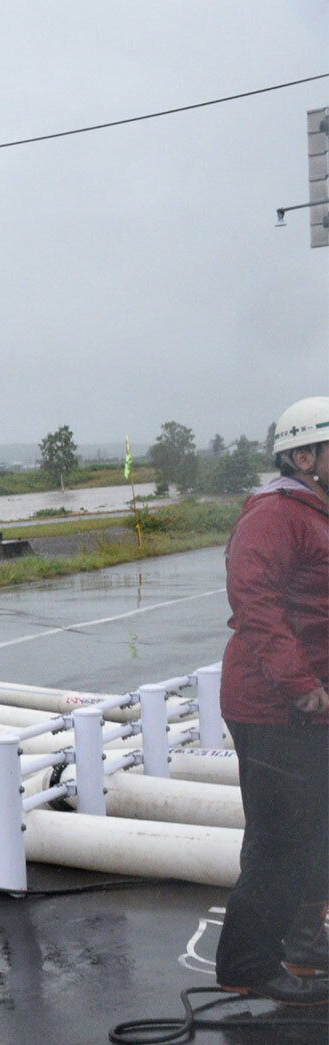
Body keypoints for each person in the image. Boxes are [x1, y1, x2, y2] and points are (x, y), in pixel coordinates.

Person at [214, 395, 329, 1005]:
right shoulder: (274, 514)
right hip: (273, 705)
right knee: (279, 838)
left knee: (318, 829)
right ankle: (247, 965)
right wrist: (302, 687)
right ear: (304, 455)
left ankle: (305, 944)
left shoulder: (317, 512)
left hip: (308, 703)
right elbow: (256, 607)